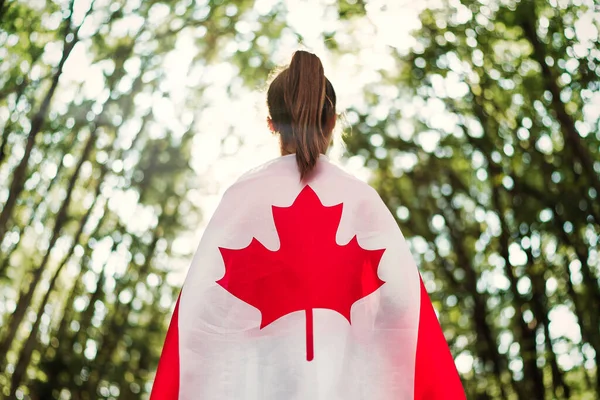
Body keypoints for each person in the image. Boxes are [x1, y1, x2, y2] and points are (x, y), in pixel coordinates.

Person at [150, 50, 465, 400]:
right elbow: (404, 312)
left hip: (262, 383)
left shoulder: (242, 199)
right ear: (332, 122)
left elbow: (203, 317)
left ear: (270, 123)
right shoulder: (362, 202)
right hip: (342, 382)